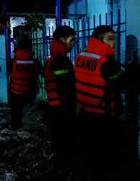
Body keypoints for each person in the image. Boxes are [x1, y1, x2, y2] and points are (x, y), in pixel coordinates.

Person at [74, 25, 125, 168]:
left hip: (84, 112)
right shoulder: (107, 63)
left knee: (89, 152)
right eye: (110, 39)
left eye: (114, 39)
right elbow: (123, 82)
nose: (114, 43)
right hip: (103, 115)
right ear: (99, 40)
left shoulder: (80, 56)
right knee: (105, 157)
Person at [44, 25, 76, 156]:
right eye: (71, 40)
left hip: (55, 104)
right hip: (61, 106)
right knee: (63, 139)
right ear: (62, 39)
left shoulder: (53, 58)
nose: (73, 43)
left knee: (58, 136)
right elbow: (66, 85)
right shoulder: (61, 60)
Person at [9, 36, 42, 130]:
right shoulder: (34, 61)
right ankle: (29, 127)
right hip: (30, 91)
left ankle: (15, 126)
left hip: (16, 91)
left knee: (16, 111)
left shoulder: (13, 61)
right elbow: (41, 72)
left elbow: (10, 74)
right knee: (29, 111)